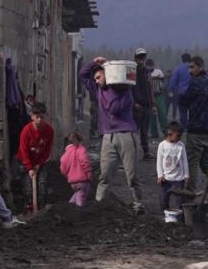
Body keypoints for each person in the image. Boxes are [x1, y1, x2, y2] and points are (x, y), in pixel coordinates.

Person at [79, 57, 145, 213]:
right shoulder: (98, 89)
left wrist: (114, 86)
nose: (96, 81)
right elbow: (82, 75)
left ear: (109, 74)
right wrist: (94, 63)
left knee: (132, 176)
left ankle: (138, 206)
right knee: (104, 175)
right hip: (108, 136)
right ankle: (99, 206)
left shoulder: (125, 92)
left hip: (126, 135)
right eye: (95, 79)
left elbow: (112, 108)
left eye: (99, 77)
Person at [180, 56, 208, 192]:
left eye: (192, 67)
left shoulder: (195, 83)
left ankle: (190, 193)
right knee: (207, 164)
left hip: (196, 128)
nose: (190, 70)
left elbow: (184, 100)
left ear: (201, 67)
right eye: (189, 67)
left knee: (192, 163)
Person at [17, 102, 55, 212]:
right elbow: (23, 150)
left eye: (42, 117)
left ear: (46, 116)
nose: (39, 120)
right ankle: (29, 210)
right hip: (25, 161)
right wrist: (29, 168)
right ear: (32, 116)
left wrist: (39, 165)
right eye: (37, 117)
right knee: (28, 188)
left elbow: (47, 149)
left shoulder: (49, 130)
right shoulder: (26, 131)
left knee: (42, 186)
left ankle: (41, 209)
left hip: (40, 162)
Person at [157, 121, 189, 212]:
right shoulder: (162, 145)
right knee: (164, 199)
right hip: (166, 179)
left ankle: (181, 217)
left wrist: (186, 175)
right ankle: (164, 216)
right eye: (178, 136)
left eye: (181, 136)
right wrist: (160, 175)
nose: (179, 138)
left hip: (179, 179)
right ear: (170, 133)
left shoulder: (181, 145)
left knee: (181, 201)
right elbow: (159, 161)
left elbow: (184, 160)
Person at [132, 49, 156, 160]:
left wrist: (153, 103)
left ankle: (146, 151)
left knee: (145, 129)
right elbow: (128, 88)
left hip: (146, 104)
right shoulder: (131, 70)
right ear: (135, 58)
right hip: (136, 105)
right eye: (139, 57)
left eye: (143, 57)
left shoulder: (147, 71)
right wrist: (133, 102)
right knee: (134, 129)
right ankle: (133, 152)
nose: (141, 59)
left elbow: (151, 87)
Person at [60, 132, 92, 207]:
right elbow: (84, 160)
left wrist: (67, 175)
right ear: (78, 140)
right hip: (83, 181)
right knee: (80, 202)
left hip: (73, 183)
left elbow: (63, 167)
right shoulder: (81, 149)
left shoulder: (65, 154)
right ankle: (78, 213)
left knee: (77, 195)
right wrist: (89, 171)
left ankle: (68, 208)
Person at [167, 53, 193, 127]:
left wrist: (170, 90)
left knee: (182, 111)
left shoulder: (178, 69)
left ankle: (184, 127)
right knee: (192, 110)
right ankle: (192, 126)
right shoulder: (193, 68)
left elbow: (173, 81)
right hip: (191, 93)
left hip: (181, 93)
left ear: (182, 60)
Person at [148, 59, 170, 141]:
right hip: (150, 96)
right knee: (151, 115)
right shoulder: (146, 73)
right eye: (148, 65)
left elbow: (165, 81)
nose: (150, 67)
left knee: (162, 113)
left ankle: (165, 131)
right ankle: (154, 133)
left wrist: (161, 88)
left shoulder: (158, 72)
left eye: (151, 65)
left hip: (158, 95)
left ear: (153, 65)